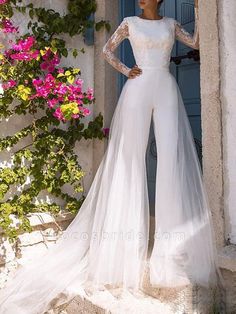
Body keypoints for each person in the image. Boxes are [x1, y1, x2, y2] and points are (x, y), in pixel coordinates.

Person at [0, 0, 225, 313]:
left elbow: (198, 42)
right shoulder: (129, 22)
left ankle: (169, 255)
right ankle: (122, 249)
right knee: (128, 162)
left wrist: (200, 11)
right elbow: (107, 50)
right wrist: (125, 69)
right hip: (137, 87)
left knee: (171, 163)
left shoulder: (171, 24)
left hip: (166, 88)